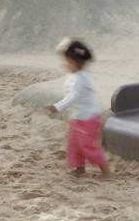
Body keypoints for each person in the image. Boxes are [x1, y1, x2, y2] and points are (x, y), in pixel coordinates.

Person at [46, 39, 110, 178]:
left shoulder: (80, 79)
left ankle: (106, 170)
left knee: (87, 145)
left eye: (68, 62)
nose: (65, 64)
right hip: (78, 117)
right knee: (74, 144)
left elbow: (73, 96)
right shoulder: (75, 75)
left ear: (78, 64)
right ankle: (79, 168)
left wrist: (57, 107)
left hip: (88, 118)